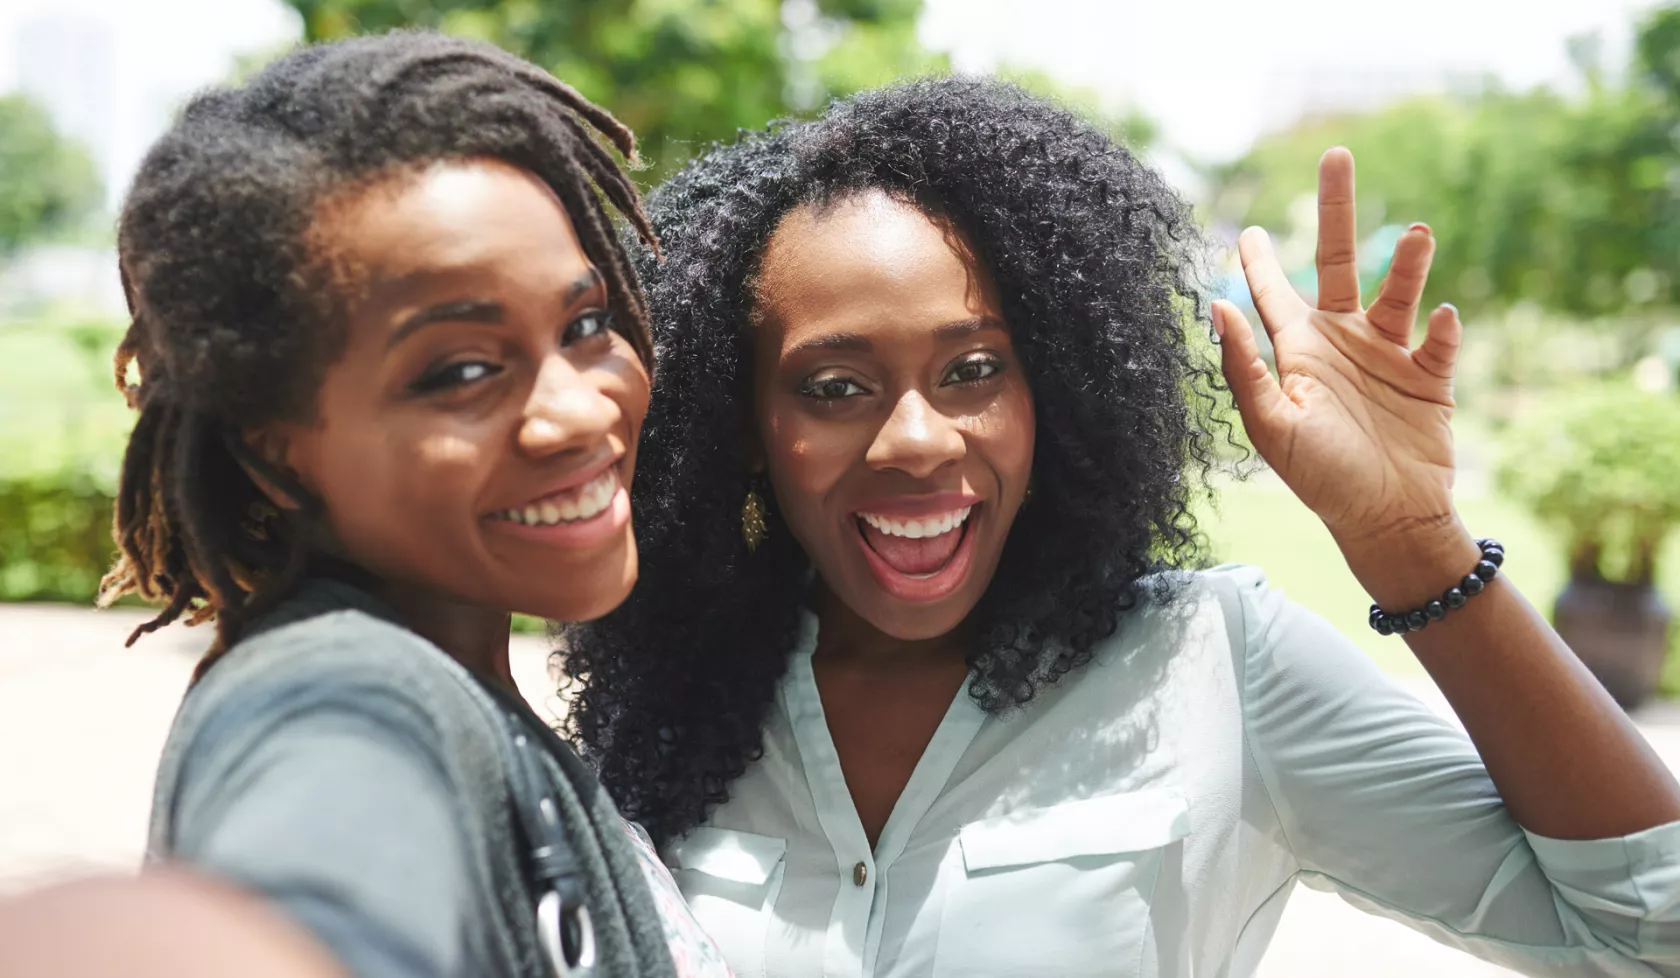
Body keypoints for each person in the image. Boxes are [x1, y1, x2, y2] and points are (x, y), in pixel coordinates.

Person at [563, 77, 1680, 977]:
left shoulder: (1215, 665)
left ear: (1052, 389)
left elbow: (1647, 933)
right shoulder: (679, 692)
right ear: (746, 424)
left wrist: (1410, 539)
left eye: (973, 370)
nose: (915, 439)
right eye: (835, 387)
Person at [0, 32, 731, 978]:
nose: (580, 411)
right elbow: (322, 864)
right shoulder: (339, 692)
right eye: (462, 371)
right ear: (272, 448)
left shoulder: (467, 679)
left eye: (586, 324)